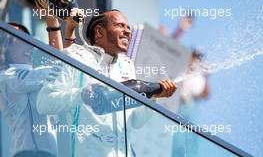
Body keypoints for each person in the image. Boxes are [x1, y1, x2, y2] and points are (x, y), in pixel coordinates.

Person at [37, 9, 177, 157]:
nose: (127, 31)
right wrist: (82, 94)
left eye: (128, 27)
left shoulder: (127, 65)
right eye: (120, 25)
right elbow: (43, 102)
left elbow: (135, 121)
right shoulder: (74, 56)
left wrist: (154, 96)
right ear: (99, 32)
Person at [0, 22, 57, 157]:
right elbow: (58, 71)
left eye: (27, 37)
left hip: (48, 153)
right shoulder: (7, 76)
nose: (29, 42)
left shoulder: (31, 74)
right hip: (28, 153)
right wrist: (54, 27)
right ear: (6, 47)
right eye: (19, 37)